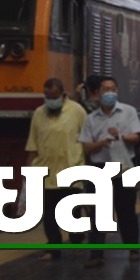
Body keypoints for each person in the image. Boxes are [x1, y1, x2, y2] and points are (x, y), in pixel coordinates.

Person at [78, 75, 140, 267]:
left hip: (122, 169)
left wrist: (121, 136)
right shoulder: (90, 119)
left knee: (126, 211)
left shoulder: (128, 112)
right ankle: (96, 254)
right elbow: (87, 147)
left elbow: (136, 137)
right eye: (106, 89)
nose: (110, 93)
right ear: (98, 93)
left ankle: (133, 248)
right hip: (99, 169)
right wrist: (102, 142)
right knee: (98, 212)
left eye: (113, 89)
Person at [25, 78, 87, 260]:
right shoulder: (38, 113)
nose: (50, 100)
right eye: (47, 96)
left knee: (72, 211)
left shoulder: (77, 112)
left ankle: (77, 240)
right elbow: (33, 144)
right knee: (49, 213)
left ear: (62, 94)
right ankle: (53, 247)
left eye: (53, 96)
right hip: (46, 171)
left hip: (72, 169)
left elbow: (87, 138)